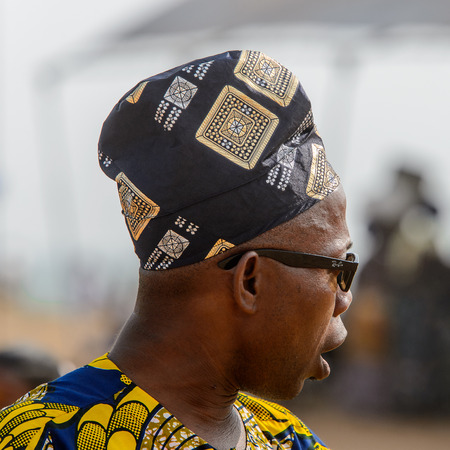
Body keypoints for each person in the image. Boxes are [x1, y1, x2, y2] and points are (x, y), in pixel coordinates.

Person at [0, 50, 358, 449]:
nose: (345, 298)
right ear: (251, 281)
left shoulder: (289, 439)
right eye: (337, 268)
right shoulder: (40, 440)